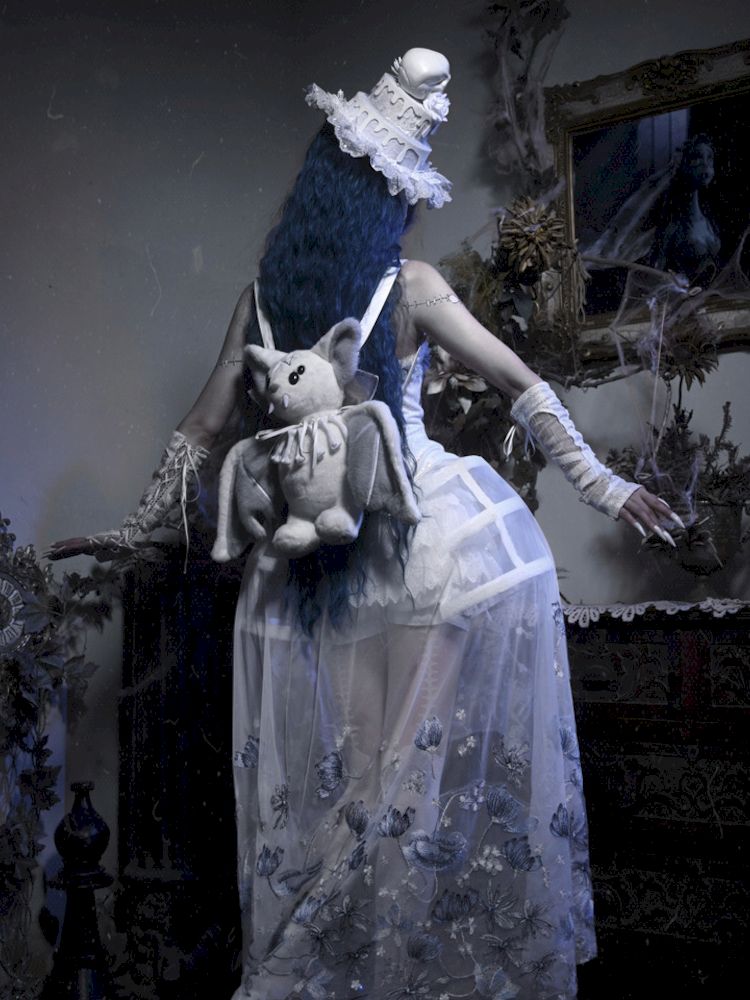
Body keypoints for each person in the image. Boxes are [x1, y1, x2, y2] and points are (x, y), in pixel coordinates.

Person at [48, 48, 681, 1000]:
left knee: (349, 803)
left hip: (303, 579)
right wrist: (605, 487)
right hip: (423, 554)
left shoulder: (261, 301)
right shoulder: (411, 285)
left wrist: (139, 531)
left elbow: (199, 434)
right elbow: (518, 383)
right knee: (400, 800)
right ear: (386, 201)